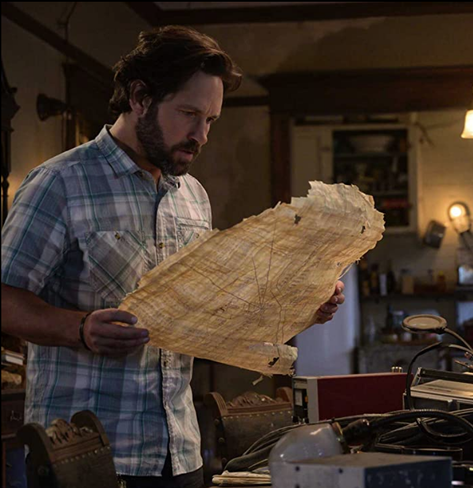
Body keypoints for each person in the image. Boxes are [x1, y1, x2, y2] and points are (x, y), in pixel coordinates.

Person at [0, 26, 344, 488]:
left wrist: (305, 305)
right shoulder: (59, 182)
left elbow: (213, 317)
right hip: (87, 460)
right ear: (140, 97)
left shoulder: (193, 197)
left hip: (180, 451)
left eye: (211, 121)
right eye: (189, 114)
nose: (200, 135)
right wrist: (78, 329)